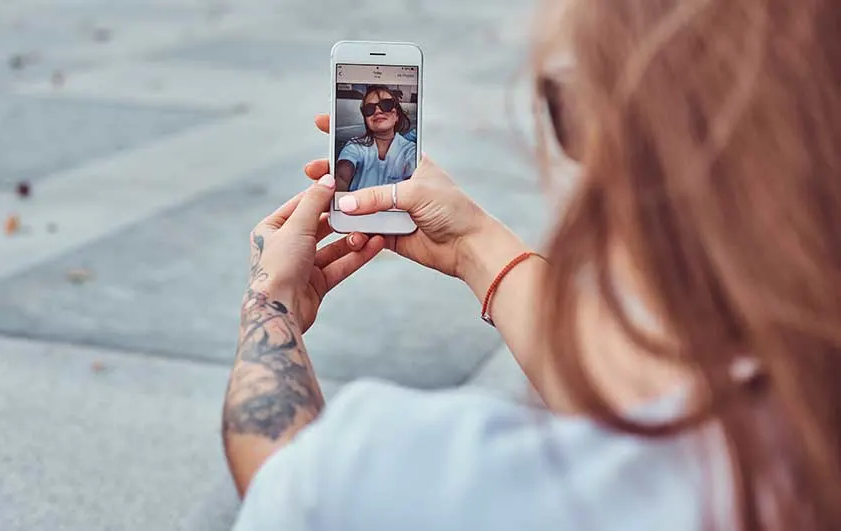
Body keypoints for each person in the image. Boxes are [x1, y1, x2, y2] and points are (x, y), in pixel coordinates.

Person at [219, 0, 841, 529]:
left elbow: (286, 474)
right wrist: (470, 244)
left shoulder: (444, 482)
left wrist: (271, 298)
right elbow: (659, 393)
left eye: (565, 106)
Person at [335, 85, 417, 192]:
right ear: (366, 119)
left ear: (396, 115)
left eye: (386, 105)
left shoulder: (411, 151)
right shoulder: (355, 145)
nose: (377, 111)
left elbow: (414, 185)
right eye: (369, 109)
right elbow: (341, 177)